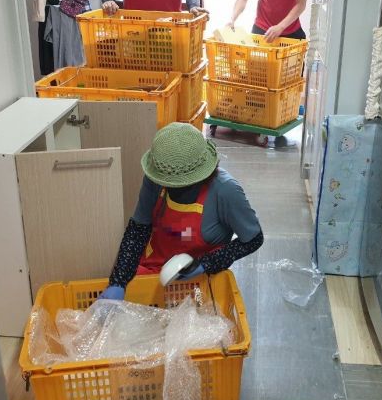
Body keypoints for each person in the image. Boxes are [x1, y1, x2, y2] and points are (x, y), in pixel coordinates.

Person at [100, 123, 263, 300]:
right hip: (154, 271)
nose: (168, 186)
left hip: (201, 282)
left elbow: (253, 239)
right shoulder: (157, 176)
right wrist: (118, 281)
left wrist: (205, 264)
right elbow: (138, 230)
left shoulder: (225, 191)